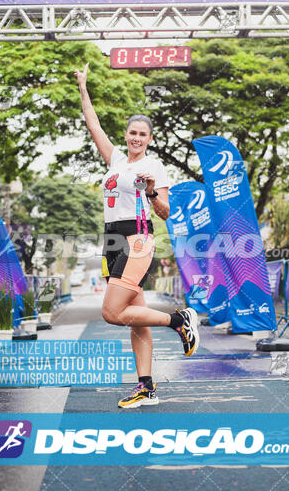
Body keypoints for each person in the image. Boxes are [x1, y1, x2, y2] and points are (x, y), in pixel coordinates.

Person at [75, 63, 200, 409]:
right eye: (132, 132)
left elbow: (166, 212)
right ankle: (146, 387)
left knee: (112, 312)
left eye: (142, 134)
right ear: (126, 133)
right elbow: (93, 124)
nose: (136, 138)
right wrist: (83, 87)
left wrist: (150, 192)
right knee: (135, 316)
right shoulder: (115, 159)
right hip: (112, 240)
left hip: (138, 240)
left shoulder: (154, 166)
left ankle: (179, 320)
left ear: (149, 139)